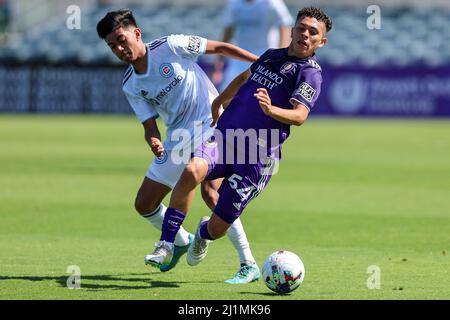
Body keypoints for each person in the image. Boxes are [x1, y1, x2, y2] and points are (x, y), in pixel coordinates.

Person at [145, 7, 332, 271]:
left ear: (321, 42)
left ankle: (202, 234)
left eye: (313, 32)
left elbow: (300, 115)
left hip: (257, 156)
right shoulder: (271, 55)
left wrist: (271, 110)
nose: (305, 34)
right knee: (191, 170)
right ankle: (166, 243)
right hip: (226, 137)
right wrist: (220, 101)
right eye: (302, 28)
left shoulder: (309, 73)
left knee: (219, 226)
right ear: (292, 30)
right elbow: (245, 78)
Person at [96, 9, 261, 283]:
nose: (119, 48)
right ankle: (183, 240)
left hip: (211, 123)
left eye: (121, 39)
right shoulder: (130, 84)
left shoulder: (170, 46)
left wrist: (259, 62)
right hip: (178, 138)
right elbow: (149, 123)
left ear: (136, 33)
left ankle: (248, 263)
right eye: (112, 45)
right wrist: (153, 139)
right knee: (144, 203)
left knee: (212, 192)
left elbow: (218, 46)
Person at [212, 0, 294, 91]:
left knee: (261, 95)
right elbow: (228, 31)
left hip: (265, 59)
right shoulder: (234, 3)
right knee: (226, 94)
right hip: (239, 58)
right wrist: (219, 62)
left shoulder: (271, 2)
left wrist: (281, 58)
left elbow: (285, 26)